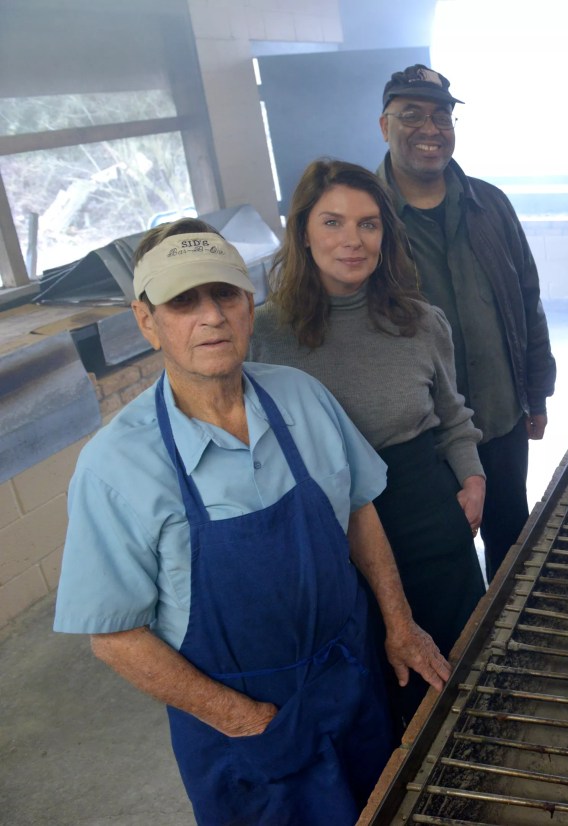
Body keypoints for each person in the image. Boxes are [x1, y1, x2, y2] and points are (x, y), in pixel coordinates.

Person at [53, 219, 451, 824]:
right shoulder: (117, 466)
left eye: (225, 295)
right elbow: (115, 638)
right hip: (245, 734)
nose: (211, 316)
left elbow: (359, 512)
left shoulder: (301, 396)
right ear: (146, 321)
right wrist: (248, 721)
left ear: (248, 303)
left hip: (350, 683)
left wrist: (399, 625)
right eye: (184, 301)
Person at [250, 159, 487, 725]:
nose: (352, 240)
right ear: (303, 233)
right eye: (332, 223)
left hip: (426, 511)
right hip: (327, 526)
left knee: (461, 672)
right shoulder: (262, 335)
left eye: (369, 224)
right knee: (373, 691)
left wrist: (474, 477)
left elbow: (453, 416)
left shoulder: (422, 322)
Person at [376, 63, 557, 581]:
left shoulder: (489, 205)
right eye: (411, 115)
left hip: (499, 417)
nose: (430, 129)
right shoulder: (366, 217)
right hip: (420, 435)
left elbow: (527, 300)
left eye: (442, 117)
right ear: (384, 125)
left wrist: (536, 393)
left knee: (511, 537)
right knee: (439, 555)